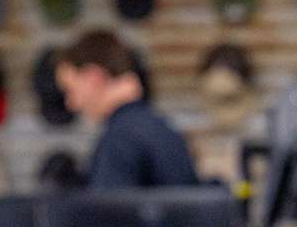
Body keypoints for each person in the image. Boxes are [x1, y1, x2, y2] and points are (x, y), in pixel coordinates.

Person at [56, 28, 198, 190]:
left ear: (93, 77)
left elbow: (108, 205)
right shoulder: (158, 126)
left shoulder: (121, 138)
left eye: (70, 90)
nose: (70, 103)